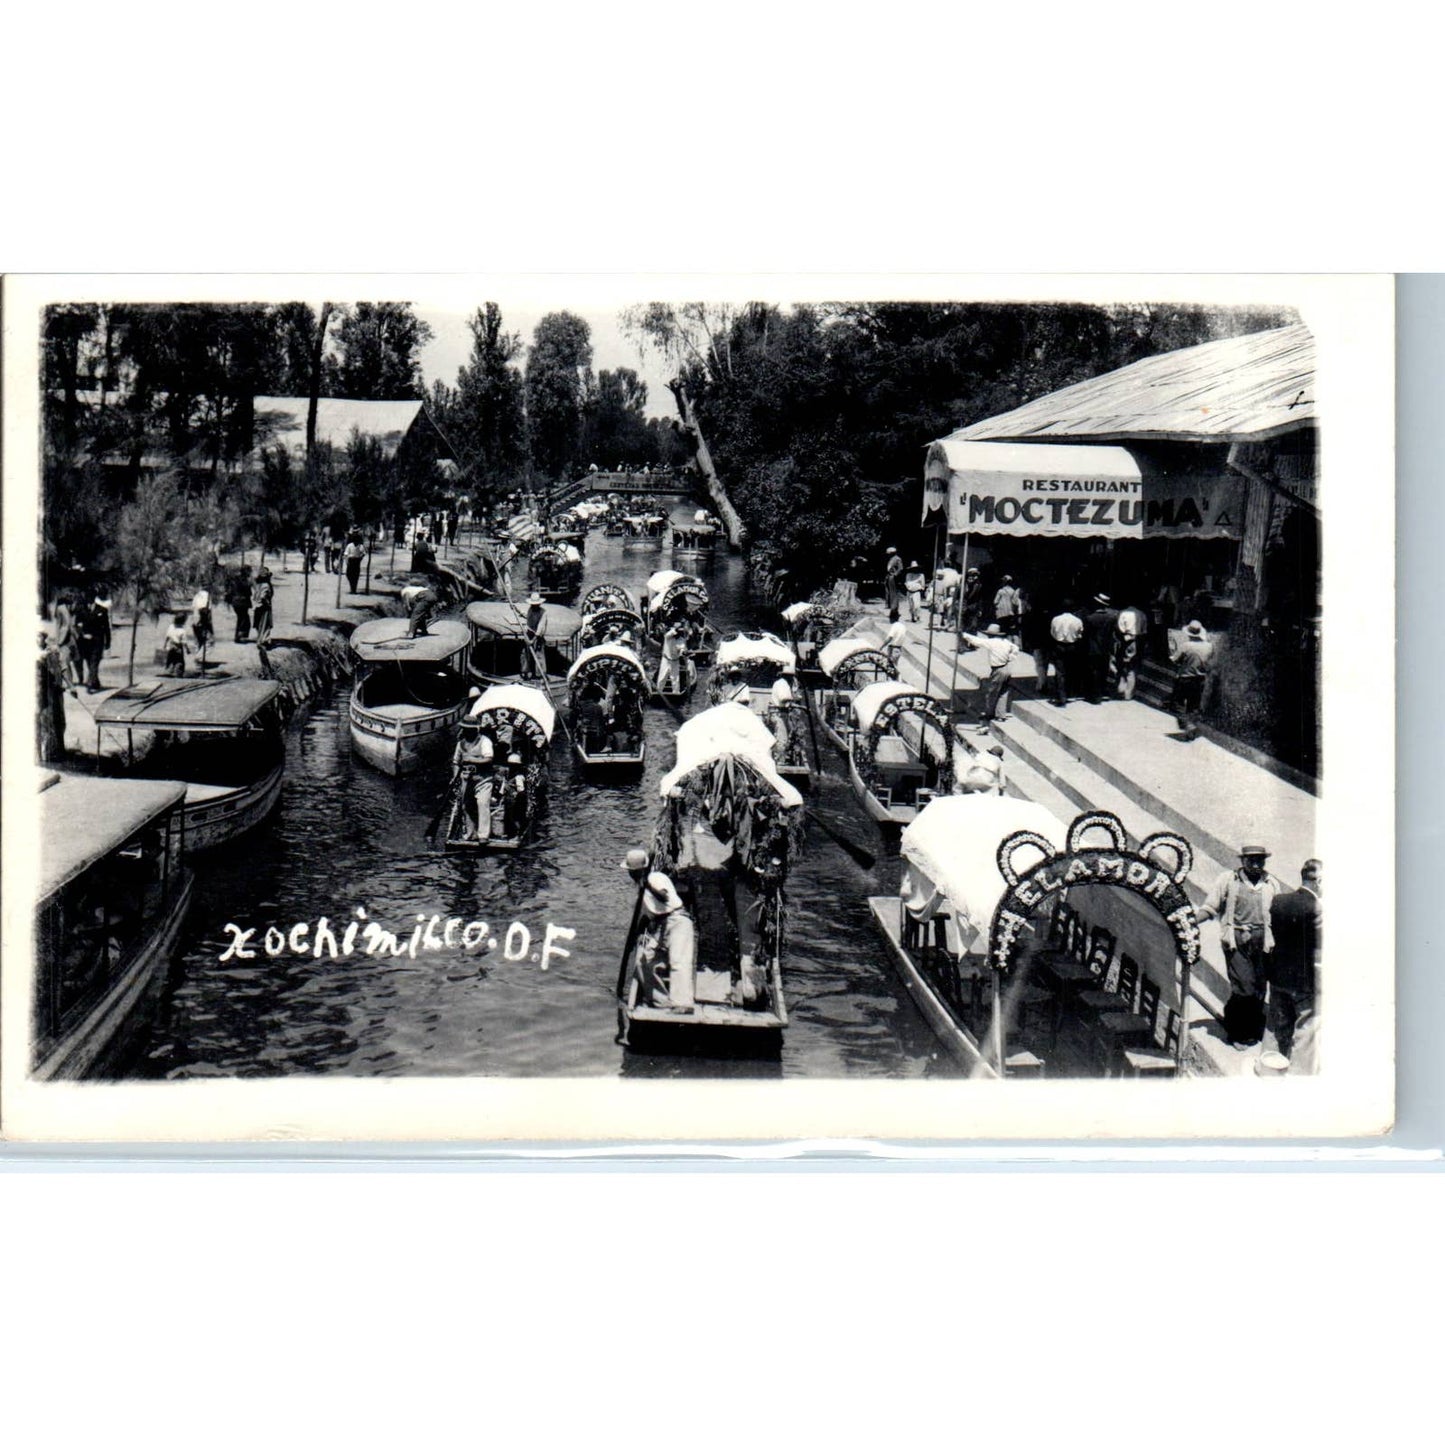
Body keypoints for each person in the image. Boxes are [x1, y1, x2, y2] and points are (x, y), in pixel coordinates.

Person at [1198, 845, 1286, 1048]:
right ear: (1242, 860)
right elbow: (1211, 906)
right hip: (1237, 941)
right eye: (1251, 860)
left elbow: (1277, 913)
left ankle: (1254, 1029)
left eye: (1260, 860)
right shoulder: (1229, 880)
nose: (1256, 865)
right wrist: (1192, 921)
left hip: (1263, 941)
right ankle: (1235, 1032)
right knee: (1244, 987)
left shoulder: (1271, 883)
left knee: (1260, 988)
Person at [1265, 859, 1322, 1070]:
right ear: (1319, 881)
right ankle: (1298, 1075)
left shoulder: (1279, 900)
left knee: (1275, 1025)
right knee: (1306, 1028)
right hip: (1304, 981)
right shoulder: (1317, 908)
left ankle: (1267, 1069)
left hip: (1278, 975)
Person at [640, 870, 696, 1011]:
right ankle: (661, 1001)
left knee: (679, 961)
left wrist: (648, 885)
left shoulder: (655, 878)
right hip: (662, 924)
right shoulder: (640, 885)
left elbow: (664, 897)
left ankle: (683, 1004)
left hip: (677, 919)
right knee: (645, 959)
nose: (632, 875)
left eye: (635, 872)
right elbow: (649, 913)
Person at [961, 622, 1018, 731]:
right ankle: (1001, 714)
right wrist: (1010, 658)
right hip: (1007, 668)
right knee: (1003, 692)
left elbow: (977, 641)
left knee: (992, 692)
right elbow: (1015, 649)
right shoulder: (1006, 642)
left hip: (998, 669)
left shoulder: (992, 642)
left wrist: (964, 635)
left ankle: (989, 713)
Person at [1169, 619, 1214, 739]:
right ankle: (1191, 728)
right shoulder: (1209, 646)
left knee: (1177, 704)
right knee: (1193, 705)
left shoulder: (1186, 646)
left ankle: (1188, 726)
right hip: (1200, 679)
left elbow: (1175, 660)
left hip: (1185, 678)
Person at [452, 722, 495, 841]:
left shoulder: (484, 741)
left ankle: (483, 835)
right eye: (465, 729)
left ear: (475, 729)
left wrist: (472, 760)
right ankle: (471, 834)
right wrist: (455, 777)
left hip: (483, 779)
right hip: (466, 780)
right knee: (467, 806)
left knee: (482, 803)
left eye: (469, 729)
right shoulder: (461, 744)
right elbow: (456, 762)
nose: (467, 731)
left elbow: (488, 758)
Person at [1084, 593, 1121, 703]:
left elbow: (1085, 635)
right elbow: (1115, 633)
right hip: (1106, 649)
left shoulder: (1090, 618)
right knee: (1103, 671)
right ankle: (1102, 691)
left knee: (1093, 671)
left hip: (1092, 649)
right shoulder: (1112, 618)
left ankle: (1094, 695)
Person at [1048, 600, 1084, 706]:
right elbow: (1080, 634)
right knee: (1071, 670)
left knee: (1060, 672)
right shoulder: (1077, 620)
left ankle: (1061, 696)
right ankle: (1070, 694)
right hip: (1072, 646)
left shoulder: (1055, 619)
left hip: (1059, 646)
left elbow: (1052, 633)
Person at [75, 593, 112, 693]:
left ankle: (89, 684)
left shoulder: (102, 610)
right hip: (85, 642)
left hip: (97, 641)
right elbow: (77, 625)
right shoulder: (81, 610)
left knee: (94, 662)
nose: (89, 601)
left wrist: (108, 641)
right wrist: (83, 634)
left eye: (91, 598)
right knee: (89, 663)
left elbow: (106, 627)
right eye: (87, 599)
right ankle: (95, 682)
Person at [1114, 602, 1148, 700]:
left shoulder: (1123, 613)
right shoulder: (1142, 614)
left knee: (1122, 666)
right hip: (1137, 641)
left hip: (1125, 640)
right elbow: (1144, 630)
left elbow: (1119, 628)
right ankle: (1128, 693)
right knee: (1132, 668)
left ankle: (1121, 688)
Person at [767, 677, 795, 764]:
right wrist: (793, 698)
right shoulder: (782, 684)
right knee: (782, 738)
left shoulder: (782, 683)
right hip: (778, 713)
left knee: (788, 733)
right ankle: (779, 761)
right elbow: (783, 698)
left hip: (780, 712)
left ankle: (782, 757)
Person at [657, 622, 685, 694]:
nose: (678, 633)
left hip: (675, 661)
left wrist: (681, 652)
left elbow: (682, 649)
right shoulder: (668, 637)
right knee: (662, 678)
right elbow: (667, 635)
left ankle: (676, 693)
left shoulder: (681, 640)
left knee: (675, 679)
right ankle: (659, 692)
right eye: (678, 631)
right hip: (666, 660)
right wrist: (675, 629)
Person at [228, 567, 252, 642]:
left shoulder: (234, 580)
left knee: (241, 618)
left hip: (235, 602)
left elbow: (230, 591)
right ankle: (240, 635)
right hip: (242, 602)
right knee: (244, 619)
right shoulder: (244, 581)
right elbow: (249, 592)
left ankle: (239, 635)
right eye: (249, 572)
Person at [251, 568, 275, 646]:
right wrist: (266, 602)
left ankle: (261, 638)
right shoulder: (266, 585)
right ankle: (264, 640)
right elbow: (263, 596)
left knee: (258, 624)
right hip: (264, 607)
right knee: (265, 623)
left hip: (257, 606)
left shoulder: (257, 585)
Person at [163, 612, 191, 677]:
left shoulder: (171, 626)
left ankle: (169, 670)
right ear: (183, 622)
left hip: (171, 645)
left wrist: (165, 644)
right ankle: (178, 673)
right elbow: (184, 642)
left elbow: (167, 636)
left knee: (170, 658)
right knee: (179, 660)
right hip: (178, 647)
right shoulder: (182, 631)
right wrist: (187, 649)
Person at [190, 585, 213, 655]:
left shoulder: (197, 596)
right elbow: (206, 609)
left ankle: (198, 652)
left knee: (198, 639)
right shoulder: (207, 596)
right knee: (207, 639)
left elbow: (193, 607)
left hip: (195, 619)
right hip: (202, 619)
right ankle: (201, 654)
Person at [884, 547, 903, 622]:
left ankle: (894, 610)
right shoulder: (891, 559)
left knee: (893, 594)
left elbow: (900, 568)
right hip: (889, 577)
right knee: (889, 593)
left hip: (893, 578)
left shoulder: (897, 559)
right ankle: (892, 610)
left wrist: (895, 575)